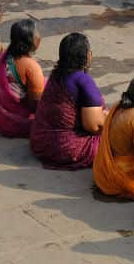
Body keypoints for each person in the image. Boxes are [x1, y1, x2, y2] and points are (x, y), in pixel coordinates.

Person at [30, 32, 106, 169]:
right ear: (88, 56)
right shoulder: (83, 80)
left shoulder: (55, 75)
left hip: (40, 142)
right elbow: (94, 127)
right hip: (65, 148)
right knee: (121, 138)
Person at [0, 19, 46, 138]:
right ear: (31, 40)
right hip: (16, 121)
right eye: (37, 34)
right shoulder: (31, 67)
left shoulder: (6, 55)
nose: (40, 37)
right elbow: (35, 107)